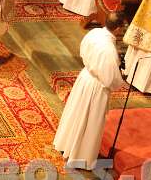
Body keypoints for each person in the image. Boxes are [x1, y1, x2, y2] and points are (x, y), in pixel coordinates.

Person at [53, 12, 126, 169]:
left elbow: (83, 51)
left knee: (76, 113)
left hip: (85, 76)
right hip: (97, 86)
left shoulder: (94, 33)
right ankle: (81, 156)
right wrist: (121, 78)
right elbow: (110, 79)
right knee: (90, 120)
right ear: (118, 29)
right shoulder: (108, 50)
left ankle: (66, 145)